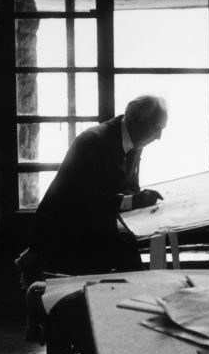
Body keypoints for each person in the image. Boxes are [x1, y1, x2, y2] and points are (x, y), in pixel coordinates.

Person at [32, 94, 168, 276]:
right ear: (136, 123)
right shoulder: (93, 142)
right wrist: (133, 201)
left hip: (97, 222)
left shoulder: (136, 139)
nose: (159, 136)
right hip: (67, 232)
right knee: (129, 269)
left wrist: (139, 199)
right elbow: (83, 200)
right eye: (157, 128)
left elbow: (130, 186)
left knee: (133, 264)